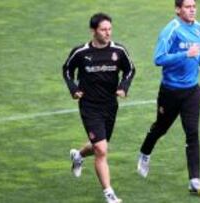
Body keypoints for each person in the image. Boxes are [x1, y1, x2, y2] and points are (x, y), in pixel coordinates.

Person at [137, 0, 200, 195]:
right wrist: (186, 54)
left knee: (192, 132)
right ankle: (145, 152)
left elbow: (197, 50)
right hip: (170, 92)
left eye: (194, 5)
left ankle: (194, 180)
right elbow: (158, 59)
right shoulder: (171, 30)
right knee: (161, 128)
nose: (192, 9)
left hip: (192, 91)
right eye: (187, 6)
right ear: (178, 10)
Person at [62, 12, 135, 203]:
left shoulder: (118, 51)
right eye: (103, 29)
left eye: (110, 29)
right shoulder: (81, 52)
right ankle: (109, 194)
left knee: (98, 146)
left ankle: (78, 155)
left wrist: (123, 87)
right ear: (93, 31)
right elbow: (67, 70)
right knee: (102, 150)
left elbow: (130, 70)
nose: (107, 33)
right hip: (89, 106)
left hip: (110, 106)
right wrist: (74, 89)